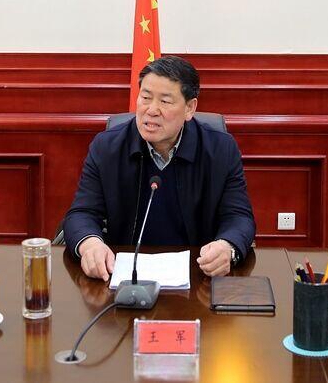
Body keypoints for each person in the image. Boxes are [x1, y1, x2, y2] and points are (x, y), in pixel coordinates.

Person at [63, 56, 256, 280]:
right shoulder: (107, 147)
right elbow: (82, 213)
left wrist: (226, 246)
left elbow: (239, 216)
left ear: (190, 108)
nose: (151, 110)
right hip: (124, 279)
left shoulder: (220, 149)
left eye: (165, 101)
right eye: (145, 97)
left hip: (198, 277)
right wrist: (90, 244)